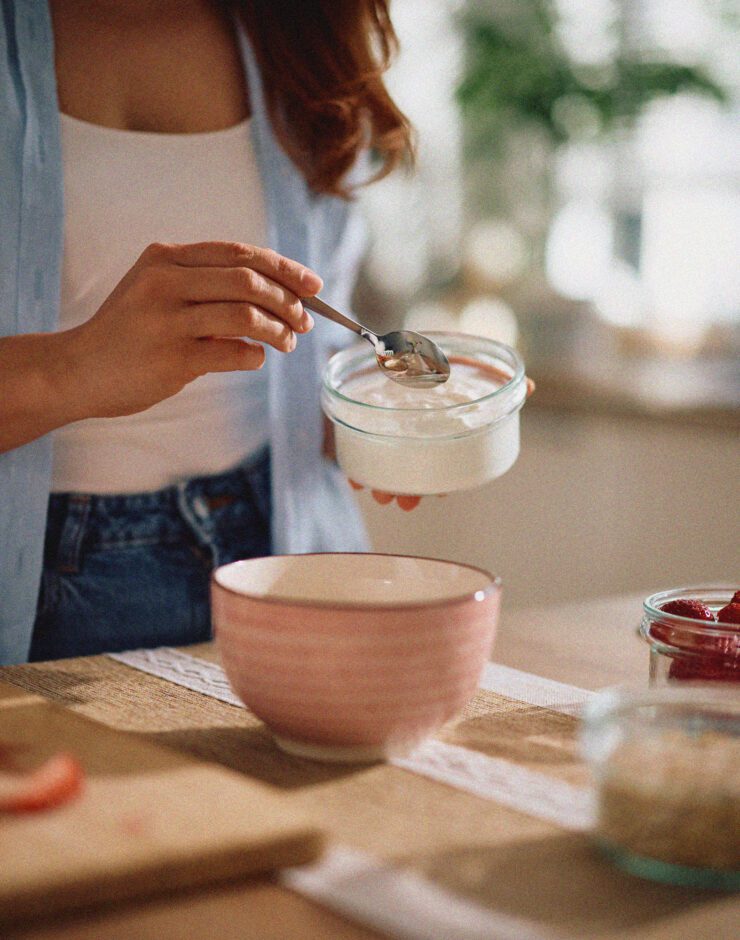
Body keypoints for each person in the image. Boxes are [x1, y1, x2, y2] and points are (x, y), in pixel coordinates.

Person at [0, 0, 413, 664]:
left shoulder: (307, 24)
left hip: (289, 562)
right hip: (42, 603)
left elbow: (310, 360)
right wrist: (72, 369)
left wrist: (377, 415)